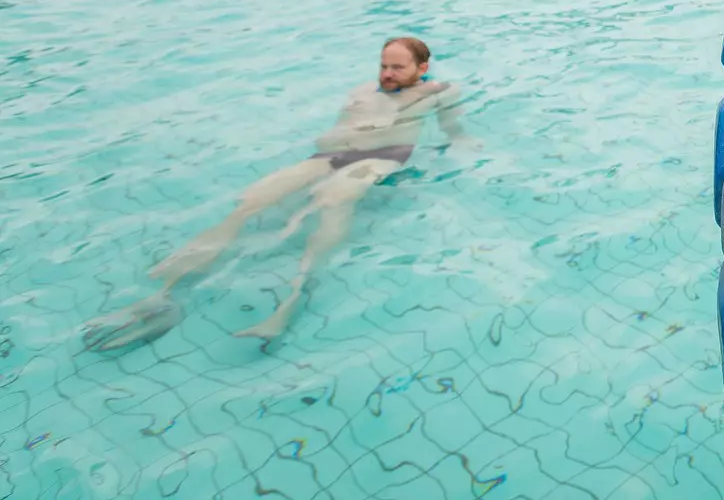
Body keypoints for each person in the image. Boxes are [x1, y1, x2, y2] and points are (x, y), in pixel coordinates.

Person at [80, 37, 464, 349]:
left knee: (332, 200)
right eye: (383, 65)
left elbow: (452, 128)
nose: (387, 73)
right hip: (329, 155)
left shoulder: (439, 92)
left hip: (383, 156)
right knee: (252, 200)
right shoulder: (365, 88)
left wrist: (462, 142)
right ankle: (165, 294)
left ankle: (289, 304)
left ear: (422, 68)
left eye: (398, 67)